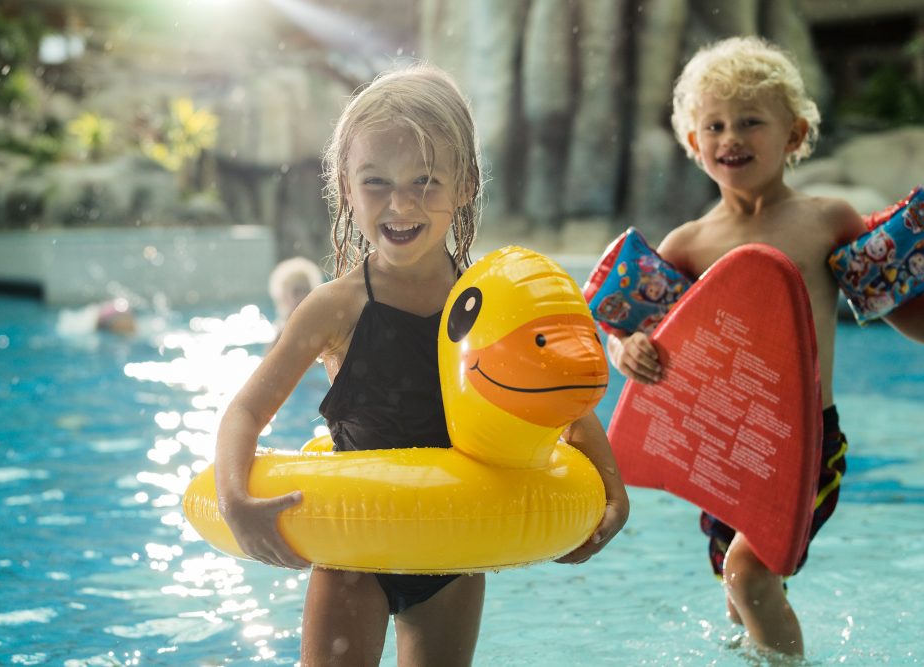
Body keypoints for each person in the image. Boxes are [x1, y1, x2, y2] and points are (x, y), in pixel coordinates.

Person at [213, 63, 629, 667]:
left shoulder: (495, 303)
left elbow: (557, 408)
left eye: (426, 181)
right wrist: (234, 500)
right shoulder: (336, 307)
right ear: (346, 189)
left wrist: (612, 496)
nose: (400, 203)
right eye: (375, 181)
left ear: (464, 186)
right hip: (355, 549)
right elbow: (246, 410)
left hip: (452, 548)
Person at [607, 36, 920, 657]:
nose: (732, 137)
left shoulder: (828, 220)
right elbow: (631, 333)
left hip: (805, 442)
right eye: (715, 125)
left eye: (751, 121)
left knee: (748, 575)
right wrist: (629, 353)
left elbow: (891, 304)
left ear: (795, 133)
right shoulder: (688, 244)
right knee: (737, 587)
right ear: (694, 144)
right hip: (722, 445)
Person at [267, 256, 323, 345]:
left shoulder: (319, 325)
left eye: (307, 290)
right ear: (283, 297)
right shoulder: (281, 333)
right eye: (296, 291)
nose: (303, 296)